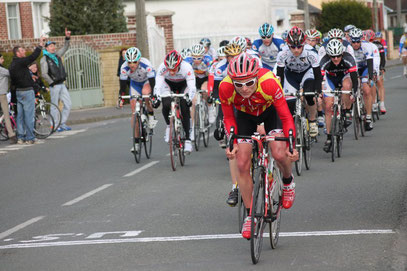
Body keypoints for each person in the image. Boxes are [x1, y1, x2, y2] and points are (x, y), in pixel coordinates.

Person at [220, 53, 297, 239]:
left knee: (279, 154)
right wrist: (232, 142)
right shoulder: (225, 87)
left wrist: (291, 146)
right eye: (239, 84)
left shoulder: (269, 82)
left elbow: (286, 117)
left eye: (249, 83)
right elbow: (229, 117)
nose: (244, 89)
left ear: (256, 77)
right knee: (241, 163)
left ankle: (287, 182)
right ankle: (250, 215)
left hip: (271, 114)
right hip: (244, 116)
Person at [276, 26, 322, 138]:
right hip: (291, 75)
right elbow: (280, 75)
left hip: (307, 73)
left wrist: (318, 91)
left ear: (304, 44)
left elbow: (317, 74)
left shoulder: (311, 52)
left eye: (299, 46)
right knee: (289, 103)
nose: (296, 50)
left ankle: (312, 120)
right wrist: (280, 91)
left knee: (309, 95)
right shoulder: (282, 54)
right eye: (293, 47)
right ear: (288, 45)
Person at [153, 50, 196, 153]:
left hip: (183, 85)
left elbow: (192, 86)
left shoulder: (187, 67)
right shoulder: (162, 67)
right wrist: (157, 98)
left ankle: (188, 140)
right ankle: (169, 126)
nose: (171, 72)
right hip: (168, 84)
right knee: (166, 103)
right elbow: (158, 85)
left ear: (179, 65)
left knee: (185, 108)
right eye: (169, 69)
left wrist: (189, 99)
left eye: (174, 69)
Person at [320, 39, 358, 152]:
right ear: (329, 55)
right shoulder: (324, 61)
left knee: (346, 87)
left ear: (342, 53)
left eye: (338, 56)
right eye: (333, 56)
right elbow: (320, 80)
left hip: (344, 77)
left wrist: (354, 92)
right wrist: (320, 93)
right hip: (330, 78)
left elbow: (354, 79)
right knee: (328, 106)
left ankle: (346, 111)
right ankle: (328, 137)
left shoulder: (349, 59)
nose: (335, 59)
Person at [9, 36, 46, 144]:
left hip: (18, 92)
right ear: (18, 53)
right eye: (22, 50)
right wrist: (40, 45)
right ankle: (30, 138)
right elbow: (33, 56)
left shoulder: (12, 64)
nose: (24, 51)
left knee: (20, 116)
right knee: (29, 115)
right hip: (26, 91)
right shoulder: (20, 62)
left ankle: (21, 137)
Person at [120, 47, 157, 153]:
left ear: (139, 60)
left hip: (147, 82)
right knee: (134, 112)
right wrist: (121, 97)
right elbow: (122, 86)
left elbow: (153, 83)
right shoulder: (124, 68)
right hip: (135, 84)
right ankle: (136, 143)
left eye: (134, 62)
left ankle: (150, 114)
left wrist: (153, 96)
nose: (132, 64)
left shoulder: (146, 64)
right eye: (129, 62)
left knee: (145, 94)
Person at [40, 28, 72, 132]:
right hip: (54, 85)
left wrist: (67, 37)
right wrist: (51, 82)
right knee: (54, 105)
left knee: (68, 104)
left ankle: (61, 123)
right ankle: (54, 125)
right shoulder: (44, 59)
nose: (53, 47)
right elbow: (44, 73)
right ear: (46, 48)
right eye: (50, 46)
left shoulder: (57, 55)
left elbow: (66, 47)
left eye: (53, 46)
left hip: (62, 84)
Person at [349, 28, 374, 131]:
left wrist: (371, 77)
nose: (355, 44)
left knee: (367, 90)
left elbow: (370, 63)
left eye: (357, 41)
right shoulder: (347, 48)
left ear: (361, 40)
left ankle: (368, 116)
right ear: (350, 40)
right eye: (353, 41)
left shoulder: (366, 47)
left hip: (364, 68)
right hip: (353, 69)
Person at [0, 53, 17, 143]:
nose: (3, 60)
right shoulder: (2, 70)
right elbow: (11, 73)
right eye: (1, 59)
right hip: (2, 94)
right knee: (6, 114)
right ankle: (11, 135)